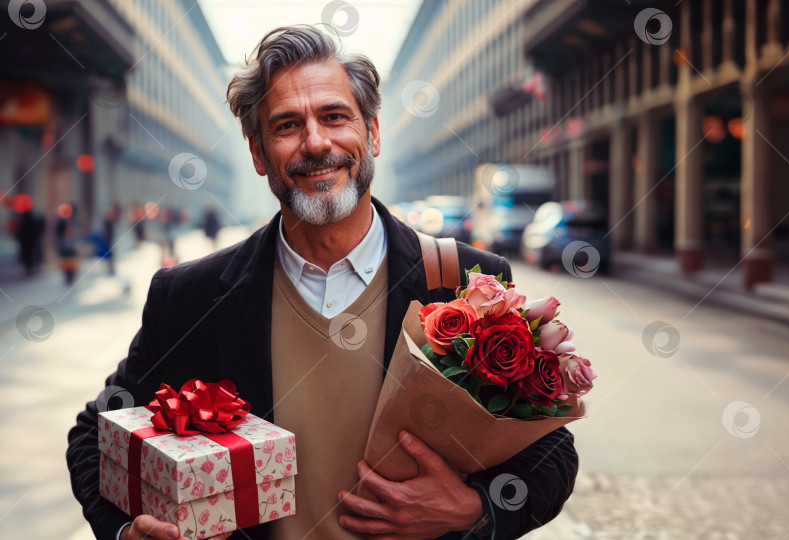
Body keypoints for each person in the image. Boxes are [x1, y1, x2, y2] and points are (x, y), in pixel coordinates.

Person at [67, 25, 578, 540]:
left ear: (372, 133)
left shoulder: (470, 285)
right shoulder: (192, 297)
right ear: (259, 153)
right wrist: (125, 531)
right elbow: (95, 433)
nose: (315, 142)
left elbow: (549, 452)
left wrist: (476, 510)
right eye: (287, 125)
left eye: (334, 116)